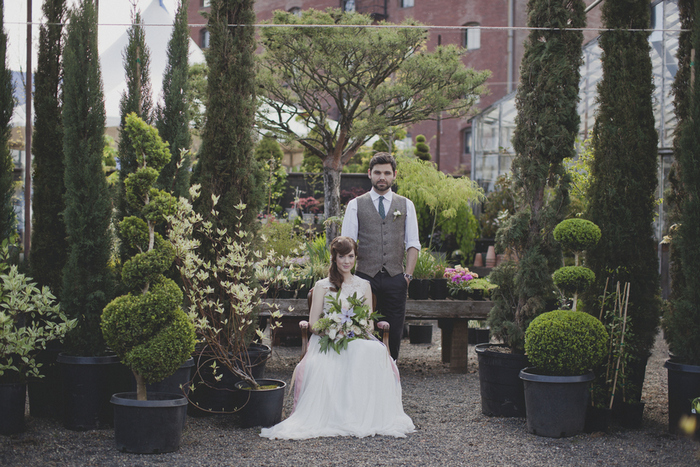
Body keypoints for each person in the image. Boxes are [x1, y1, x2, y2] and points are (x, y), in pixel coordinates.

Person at [260, 237, 414, 440]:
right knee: (342, 354)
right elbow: (314, 323)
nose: (346, 261)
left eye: (350, 256)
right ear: (334, 258)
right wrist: (334, 329)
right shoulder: (322, 286)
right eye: (342, 256)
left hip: (357, 336)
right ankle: (337, 415)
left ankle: (362, 414)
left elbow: (368, 324)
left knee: (372, 350)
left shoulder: (364, 285)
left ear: (356, 257)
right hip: (328, 338)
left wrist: (351, 328)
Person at [341, 152, 420, 360]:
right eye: (377, 172)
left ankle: (390, 371)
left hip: (396, 278)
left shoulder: (406, 205)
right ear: (369, 174)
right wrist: (348, 279)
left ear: (394, 175)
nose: (382, 177)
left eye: (386, 173)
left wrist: (407, 277)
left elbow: (413, 244)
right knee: (360, 328)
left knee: (394, 332)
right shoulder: (356, 205)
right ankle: (362, 369)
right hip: (364, 277)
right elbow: (346, 245)